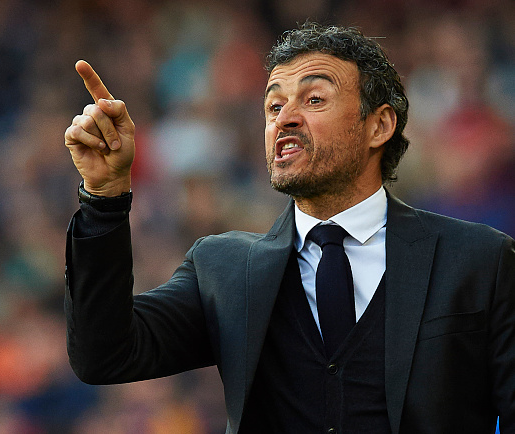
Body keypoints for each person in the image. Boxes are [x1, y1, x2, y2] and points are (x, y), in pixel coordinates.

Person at [63, 23, 514, 433]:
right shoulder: (223, 269)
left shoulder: (481, 260)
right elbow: (104, 355)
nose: (284, 118)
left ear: (379, 125)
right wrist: (104, 198)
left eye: (314, 99)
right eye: (274, 106)